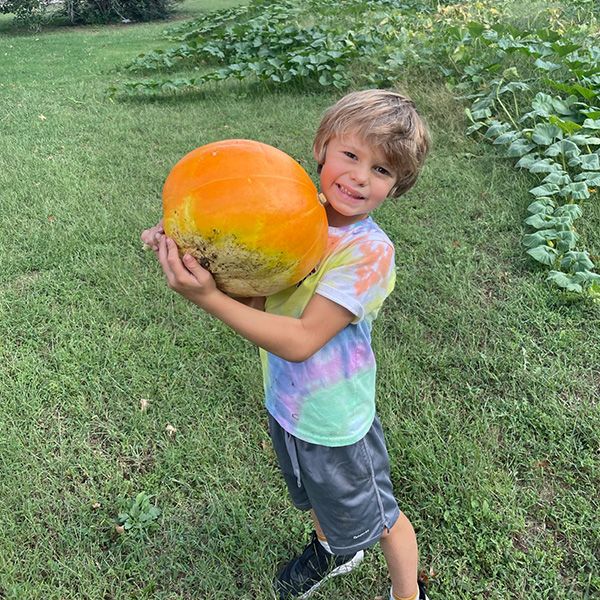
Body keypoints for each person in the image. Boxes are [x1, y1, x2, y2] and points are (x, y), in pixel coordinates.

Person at [141, 89, 431, 600]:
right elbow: (258, 295)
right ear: (322, 148)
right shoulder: (289, 212)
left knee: (384, 518)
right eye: (351, 155)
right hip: (287, 404)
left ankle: (407, 593)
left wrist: (208, 298)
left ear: (396, 187)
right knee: (315, 497)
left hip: (337, 424)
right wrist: (189, 244)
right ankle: (334, 548)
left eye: (382, 171)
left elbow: (299, 340)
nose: (361, 176)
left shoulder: (368, 253)